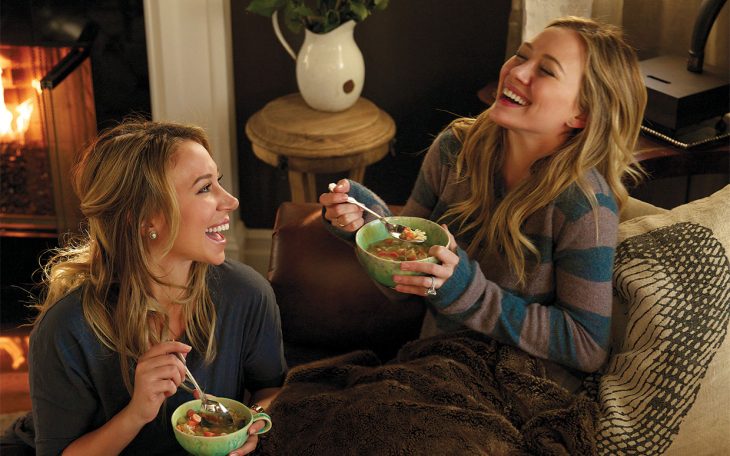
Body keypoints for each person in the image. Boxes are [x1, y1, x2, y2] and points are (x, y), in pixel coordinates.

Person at [320, 16, 646, 389]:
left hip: (517, 390)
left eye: (546, 71)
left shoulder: (584, 205)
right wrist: (365, 225)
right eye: (521, 55)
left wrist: (467, 292)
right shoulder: (453, 149)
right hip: (430, 368)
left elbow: (586, 347)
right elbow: (404, 285)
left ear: (581, 114)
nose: (518, 71)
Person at [27, 119, 287, 455]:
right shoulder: (66, 330)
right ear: (146, 219)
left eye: (217, 182)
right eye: (205, 188)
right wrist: (136, 413)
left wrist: (253, 421)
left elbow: (272, 389)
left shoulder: (246, 293)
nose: (231, 201)